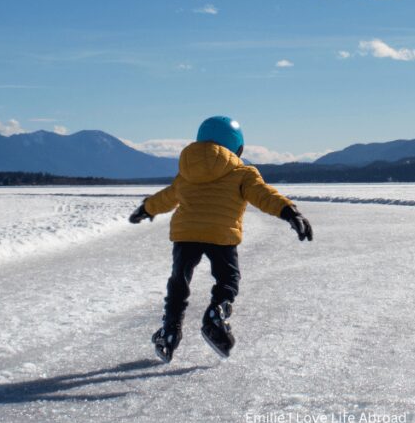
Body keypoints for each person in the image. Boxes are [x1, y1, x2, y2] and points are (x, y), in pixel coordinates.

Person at [128, 116, 313, 363]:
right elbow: (264, 195)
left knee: (179, 280)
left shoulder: (186, 173)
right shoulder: (242, 172)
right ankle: (217, 311)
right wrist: (290, 211)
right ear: (237, 147)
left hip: (186, 234)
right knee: (228, 279)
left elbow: (167, 197)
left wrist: (147, 209)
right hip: (221, 235)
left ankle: (170, 329)